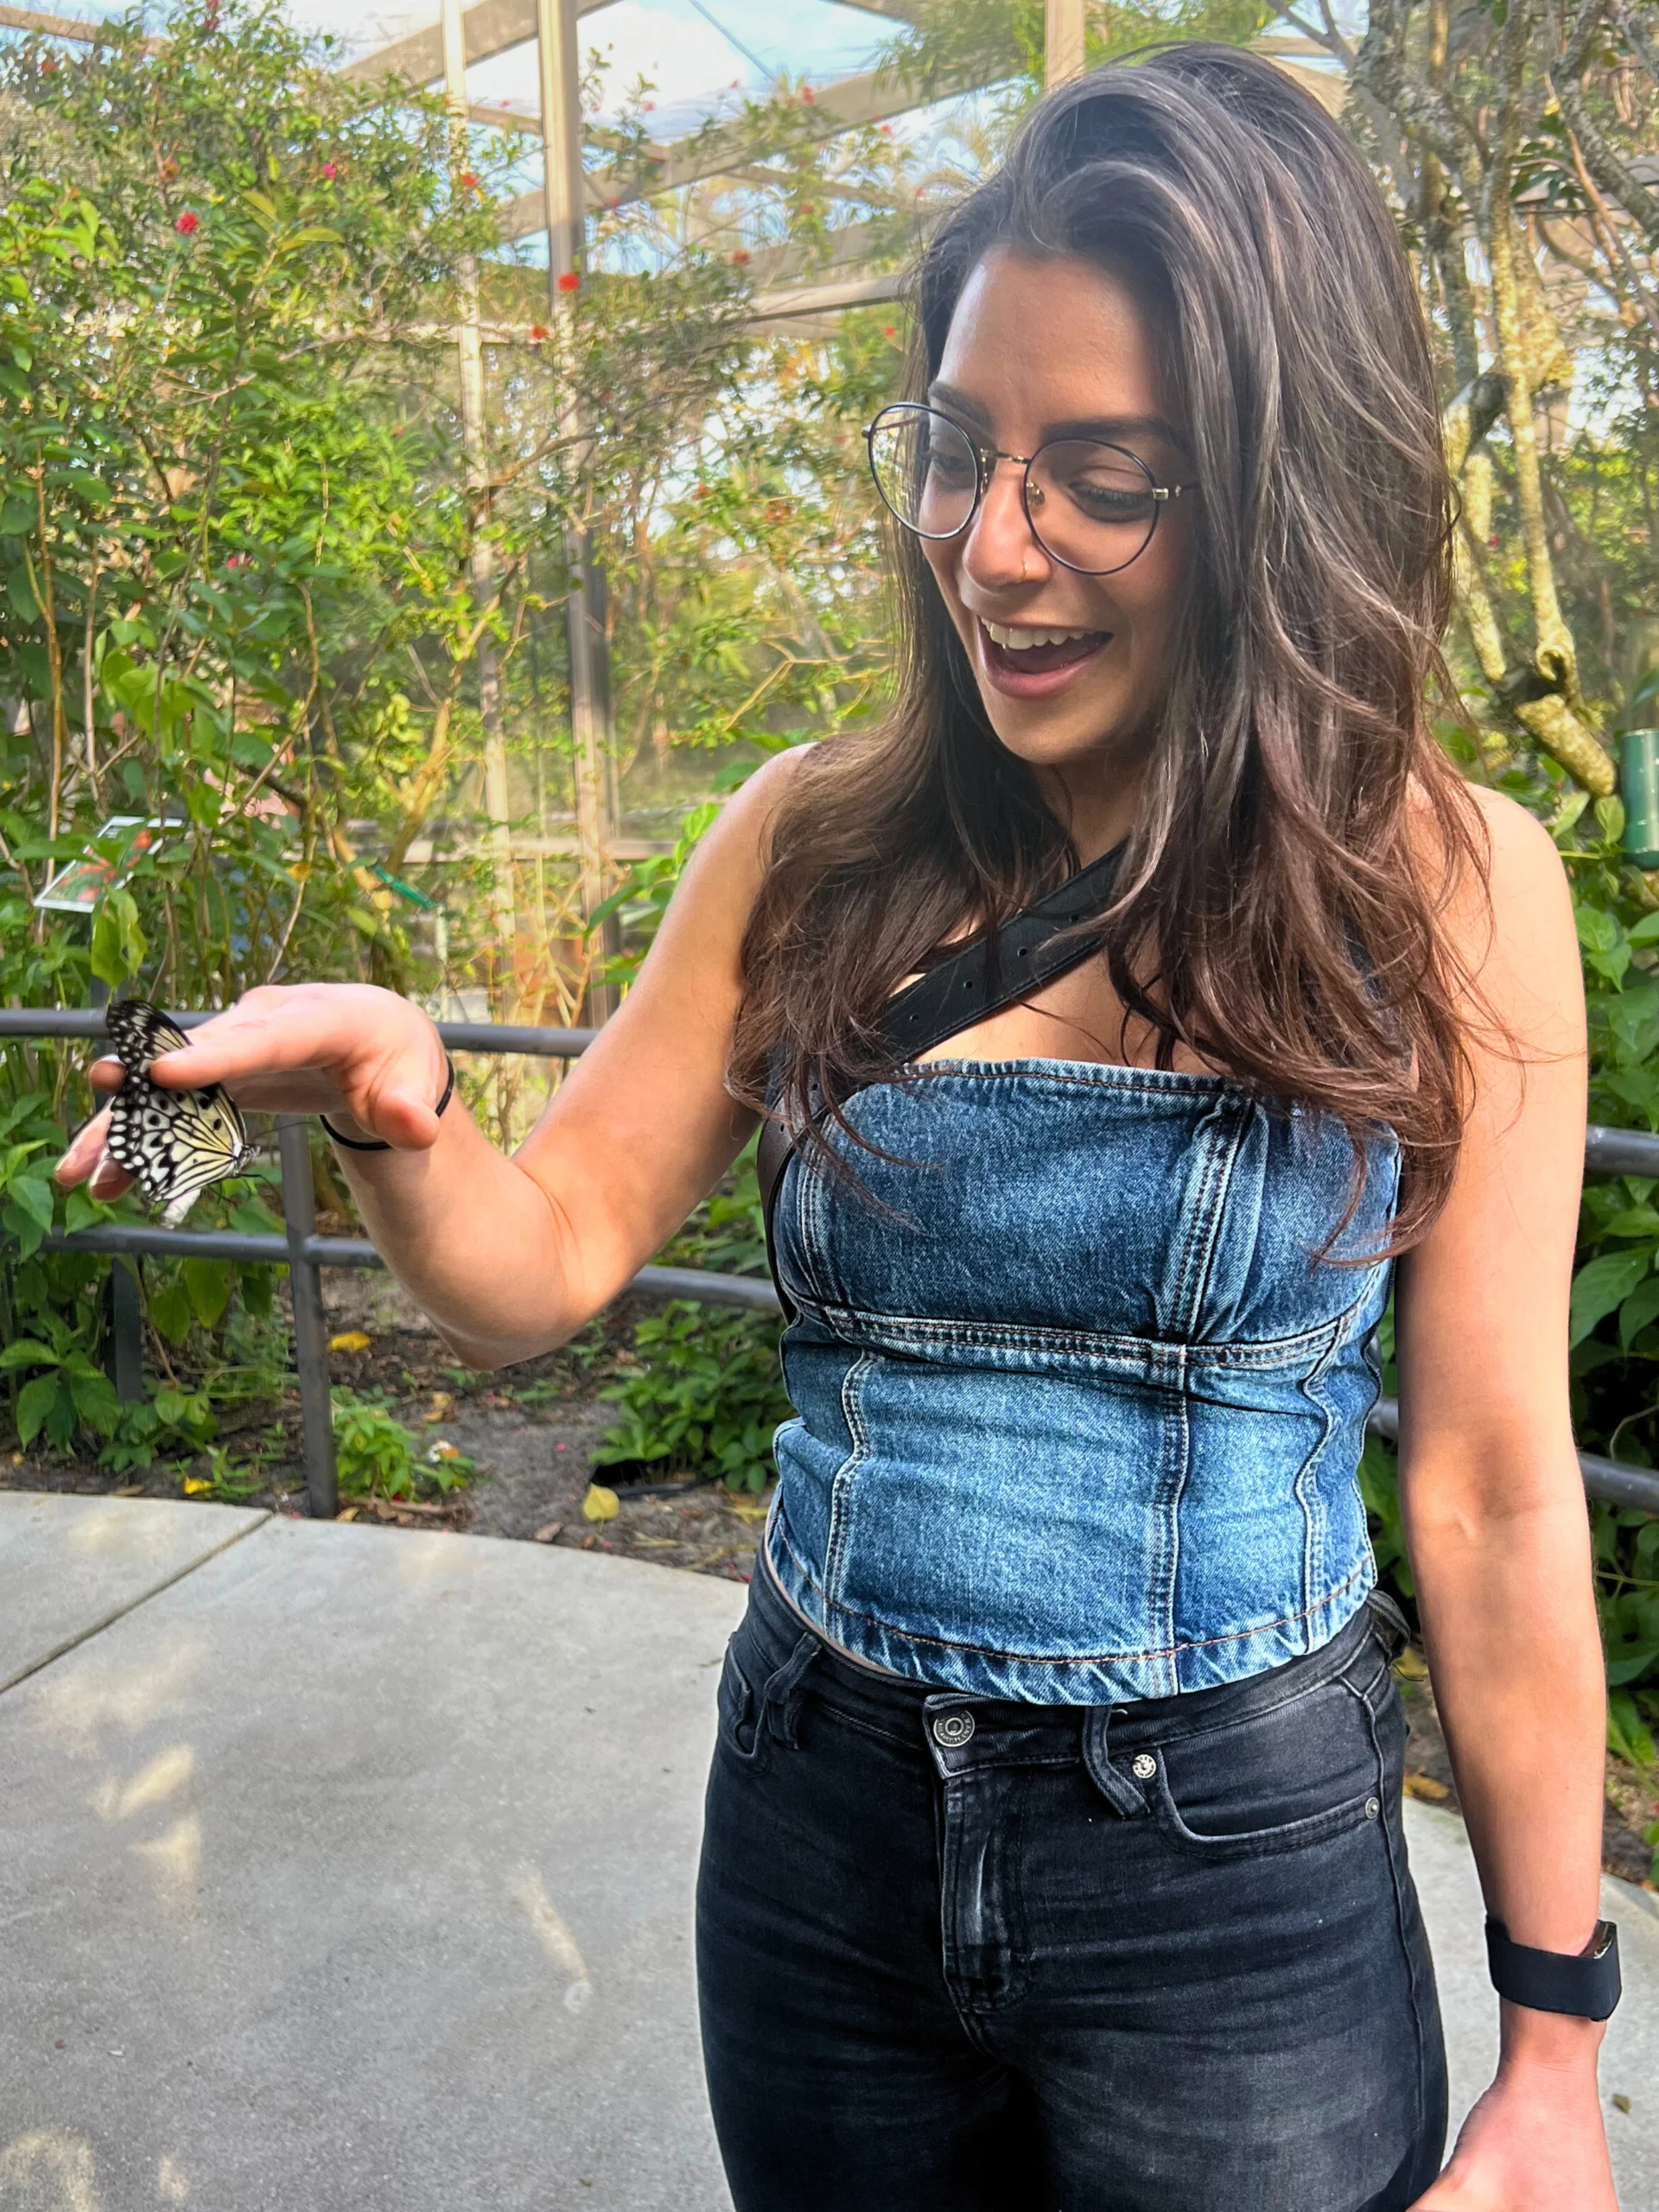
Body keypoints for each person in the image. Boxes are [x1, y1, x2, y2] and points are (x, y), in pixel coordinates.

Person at [57, 44, 1621, 2212]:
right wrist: (383, 1107)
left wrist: (1556, 2057)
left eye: (1105, 476)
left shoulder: (1445, 889)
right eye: (959, 452)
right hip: (819, 1834)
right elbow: (543, 1259)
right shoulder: (811, 838)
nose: (994, 543)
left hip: (1232, 1889)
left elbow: (1495, 1489)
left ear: (1284, 494)